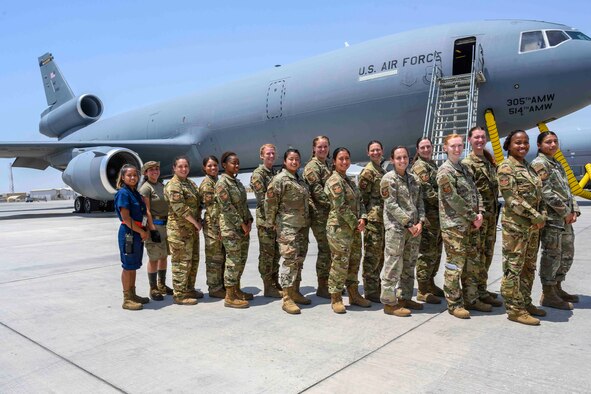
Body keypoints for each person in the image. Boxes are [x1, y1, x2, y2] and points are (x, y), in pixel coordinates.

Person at [498, 130, 547, 325]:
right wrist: (535, 216)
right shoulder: (506, 168)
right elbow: (511, 198)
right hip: (516, 228)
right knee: (513, 268)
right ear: (509, 145)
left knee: (529, 267)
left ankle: (525, 302)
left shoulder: (528, 167)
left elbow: (539, 195)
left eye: (526, 142)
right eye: (518, 143)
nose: (523, 146)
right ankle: (514, 309)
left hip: (532, 228)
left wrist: (541, 214)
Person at [437, 134, 488, 319]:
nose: (457, 149)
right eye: (453, 146)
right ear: (445, 148)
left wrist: (480, 211)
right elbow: (453, 199)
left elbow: (476, 192)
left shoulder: (465, 169)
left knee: (472, 264)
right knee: (455, 266)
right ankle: (454, 303)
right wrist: (473, 215)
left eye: (459, 145)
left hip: (471, 224)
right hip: (454, 227)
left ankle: (472, 299)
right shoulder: (445, 171)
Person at [531, 131, 580, 310]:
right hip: (552, 218)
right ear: (539, 145)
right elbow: (546, 192)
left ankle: (558, 287)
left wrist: (574, 209)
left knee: (566, 253)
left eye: (555, 141)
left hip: (564, 218)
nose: (552, 145)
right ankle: (548, 293)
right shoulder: (539, 164)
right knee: (552, 254)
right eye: (548, 142)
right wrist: (565, 211)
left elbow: (567, 189)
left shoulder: (557, 163)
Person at [380, 146, 426, 317]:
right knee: (393, 264)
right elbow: (391, 205)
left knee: (409, 264)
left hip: (414, 229)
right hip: (397, 229)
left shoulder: (414, 179)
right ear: (392, 160)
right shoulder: (388, 179)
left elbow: (419, 202)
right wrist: (408, 223)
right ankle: (389, 302)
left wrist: (420, 221)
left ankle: (405, 297)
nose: (402, 160)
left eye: (405, 157)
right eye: (398, 158)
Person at [325, 147, 370, 314]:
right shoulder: (334, 181)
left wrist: (363, 218)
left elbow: (360, 203)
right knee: (339, 264)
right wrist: (356, 223)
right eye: (341, 159)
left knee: (353, 262)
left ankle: (353, 294)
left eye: (347, 158)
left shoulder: (350, 181)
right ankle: (336, 297)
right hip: (339, 230)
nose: (344, 162)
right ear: (335, 161)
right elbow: (340, 207)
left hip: (354, 228)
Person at [265, 148, 311, 314]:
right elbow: (269, 203)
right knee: (289, 261)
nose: (294, 161)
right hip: (287, 227)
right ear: (285, 161)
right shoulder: (280, 180)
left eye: (297, 159)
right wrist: (272, 223)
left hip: (301, 227)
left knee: (299, 261)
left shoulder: (300, 180)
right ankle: (287, 298)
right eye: (291, 159)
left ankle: (295, 292)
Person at [462, 127, 503, 308]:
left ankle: (481, 290)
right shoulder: (467, 163)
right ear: (470, 140)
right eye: (476, 137)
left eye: (482, 137)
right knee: (475, 257)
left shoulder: (488, 161)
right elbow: (468, 192)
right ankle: (471, 296)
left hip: (491, 217)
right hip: (477, 219)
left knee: (487, 254)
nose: (480, 140)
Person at [216, 152, 254, 308]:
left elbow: (244, 204)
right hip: (231, 229)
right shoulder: (222, 184)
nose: (236, 166)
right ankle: (229, 296)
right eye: (233, 163)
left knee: (241, 260)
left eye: (238, 163)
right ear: (224, 165)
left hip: (242, 228)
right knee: (232, 262)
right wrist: (241, 224)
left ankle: (237, 290)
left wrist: (250, 220)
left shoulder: (237, 183)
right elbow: (227, 208)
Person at [163, 156, 202, 306]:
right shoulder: (174, 185)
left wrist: (198, 221)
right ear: (174, 168)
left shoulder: (190, 184)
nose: (183, 169)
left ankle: (189, 289)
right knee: (181, 263)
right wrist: (196, 224)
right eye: (180, 166)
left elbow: (197, 203)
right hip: (179, 231)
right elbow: (180, 209)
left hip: (191, 230)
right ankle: (179, 294)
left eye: (186, 166)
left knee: (192, 261)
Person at [411, 138, 444, 304]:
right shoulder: (420, 166)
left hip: (437, 216)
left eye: (428, 147)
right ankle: (422, 290)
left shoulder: (432, 164)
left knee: (436, 252)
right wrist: (446, 201)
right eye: (422, 147)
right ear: (418, 149)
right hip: (428, 217)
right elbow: (427, 192)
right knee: (427, 253)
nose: (426, 149)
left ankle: (430, 282)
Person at [114, 164, 150, 310]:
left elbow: (142, 214)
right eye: (129, 175)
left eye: (135, 175)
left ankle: (133, 294)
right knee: (128, 266)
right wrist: (141, 232)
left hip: (138, 231)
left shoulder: (135, 193)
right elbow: (125, 217)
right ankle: (127, 299)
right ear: (123, 177)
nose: (133, 177)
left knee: (134, 265)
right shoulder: (123, 193)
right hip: (129, 232)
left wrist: (145, 228)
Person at [250, 144, 282, 298]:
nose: (271, 156)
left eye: (273, 153)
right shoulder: (258, 174)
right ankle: (268, 286)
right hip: (266, 222)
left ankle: (275, 282)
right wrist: (272, 219)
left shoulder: (274, 173)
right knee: (267, 255)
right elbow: (263, 200)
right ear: (261, 156)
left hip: (276, 222)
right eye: (268, 154)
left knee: (276, 254)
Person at [303, 136, 332, 299]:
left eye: (325, 146)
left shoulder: (326, 165)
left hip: (328, 214)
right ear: (314, 148)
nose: (323, 149)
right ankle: (322, 286)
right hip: (320, 215)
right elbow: (318, 192)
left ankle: (329, 282)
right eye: (319, 147)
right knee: (325, 250)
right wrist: (335, 205)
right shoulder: (312, 167)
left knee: (330, 250)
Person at [139, 161, 173, 301]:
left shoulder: (161, 186)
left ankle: (162, 284)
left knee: (164, 256)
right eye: (151, 170)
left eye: (157, 169)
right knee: (154, 258)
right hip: (155, 226)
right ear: (146, 173)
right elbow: (146, 210)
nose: (155, 172)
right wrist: (152, 229)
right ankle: (153, 288)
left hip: (166, 225)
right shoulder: (146, 188)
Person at [358, 140, 386, 303]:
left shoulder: (380, 170)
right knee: (372, 256)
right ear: (368, 153)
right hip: (373, 220)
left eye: (378, 150)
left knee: (380, 255)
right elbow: (361, 198)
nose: (375, 153)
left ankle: (376, 285)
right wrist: (364, 217)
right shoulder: (368, 172)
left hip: (383, 220)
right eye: (372, 150)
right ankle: (370, 289)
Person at [199, 156, 226, 299]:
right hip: (213, 227)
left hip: (220, 225)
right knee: (214, 258)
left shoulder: (217, 181)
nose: (213, 168)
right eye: (209, 166)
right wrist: (220, 228)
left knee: (221, 257)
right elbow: (212, 209)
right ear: (204, 168)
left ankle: (220, 285)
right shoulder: (207, 185)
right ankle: (214, 288)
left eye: (215, 165)